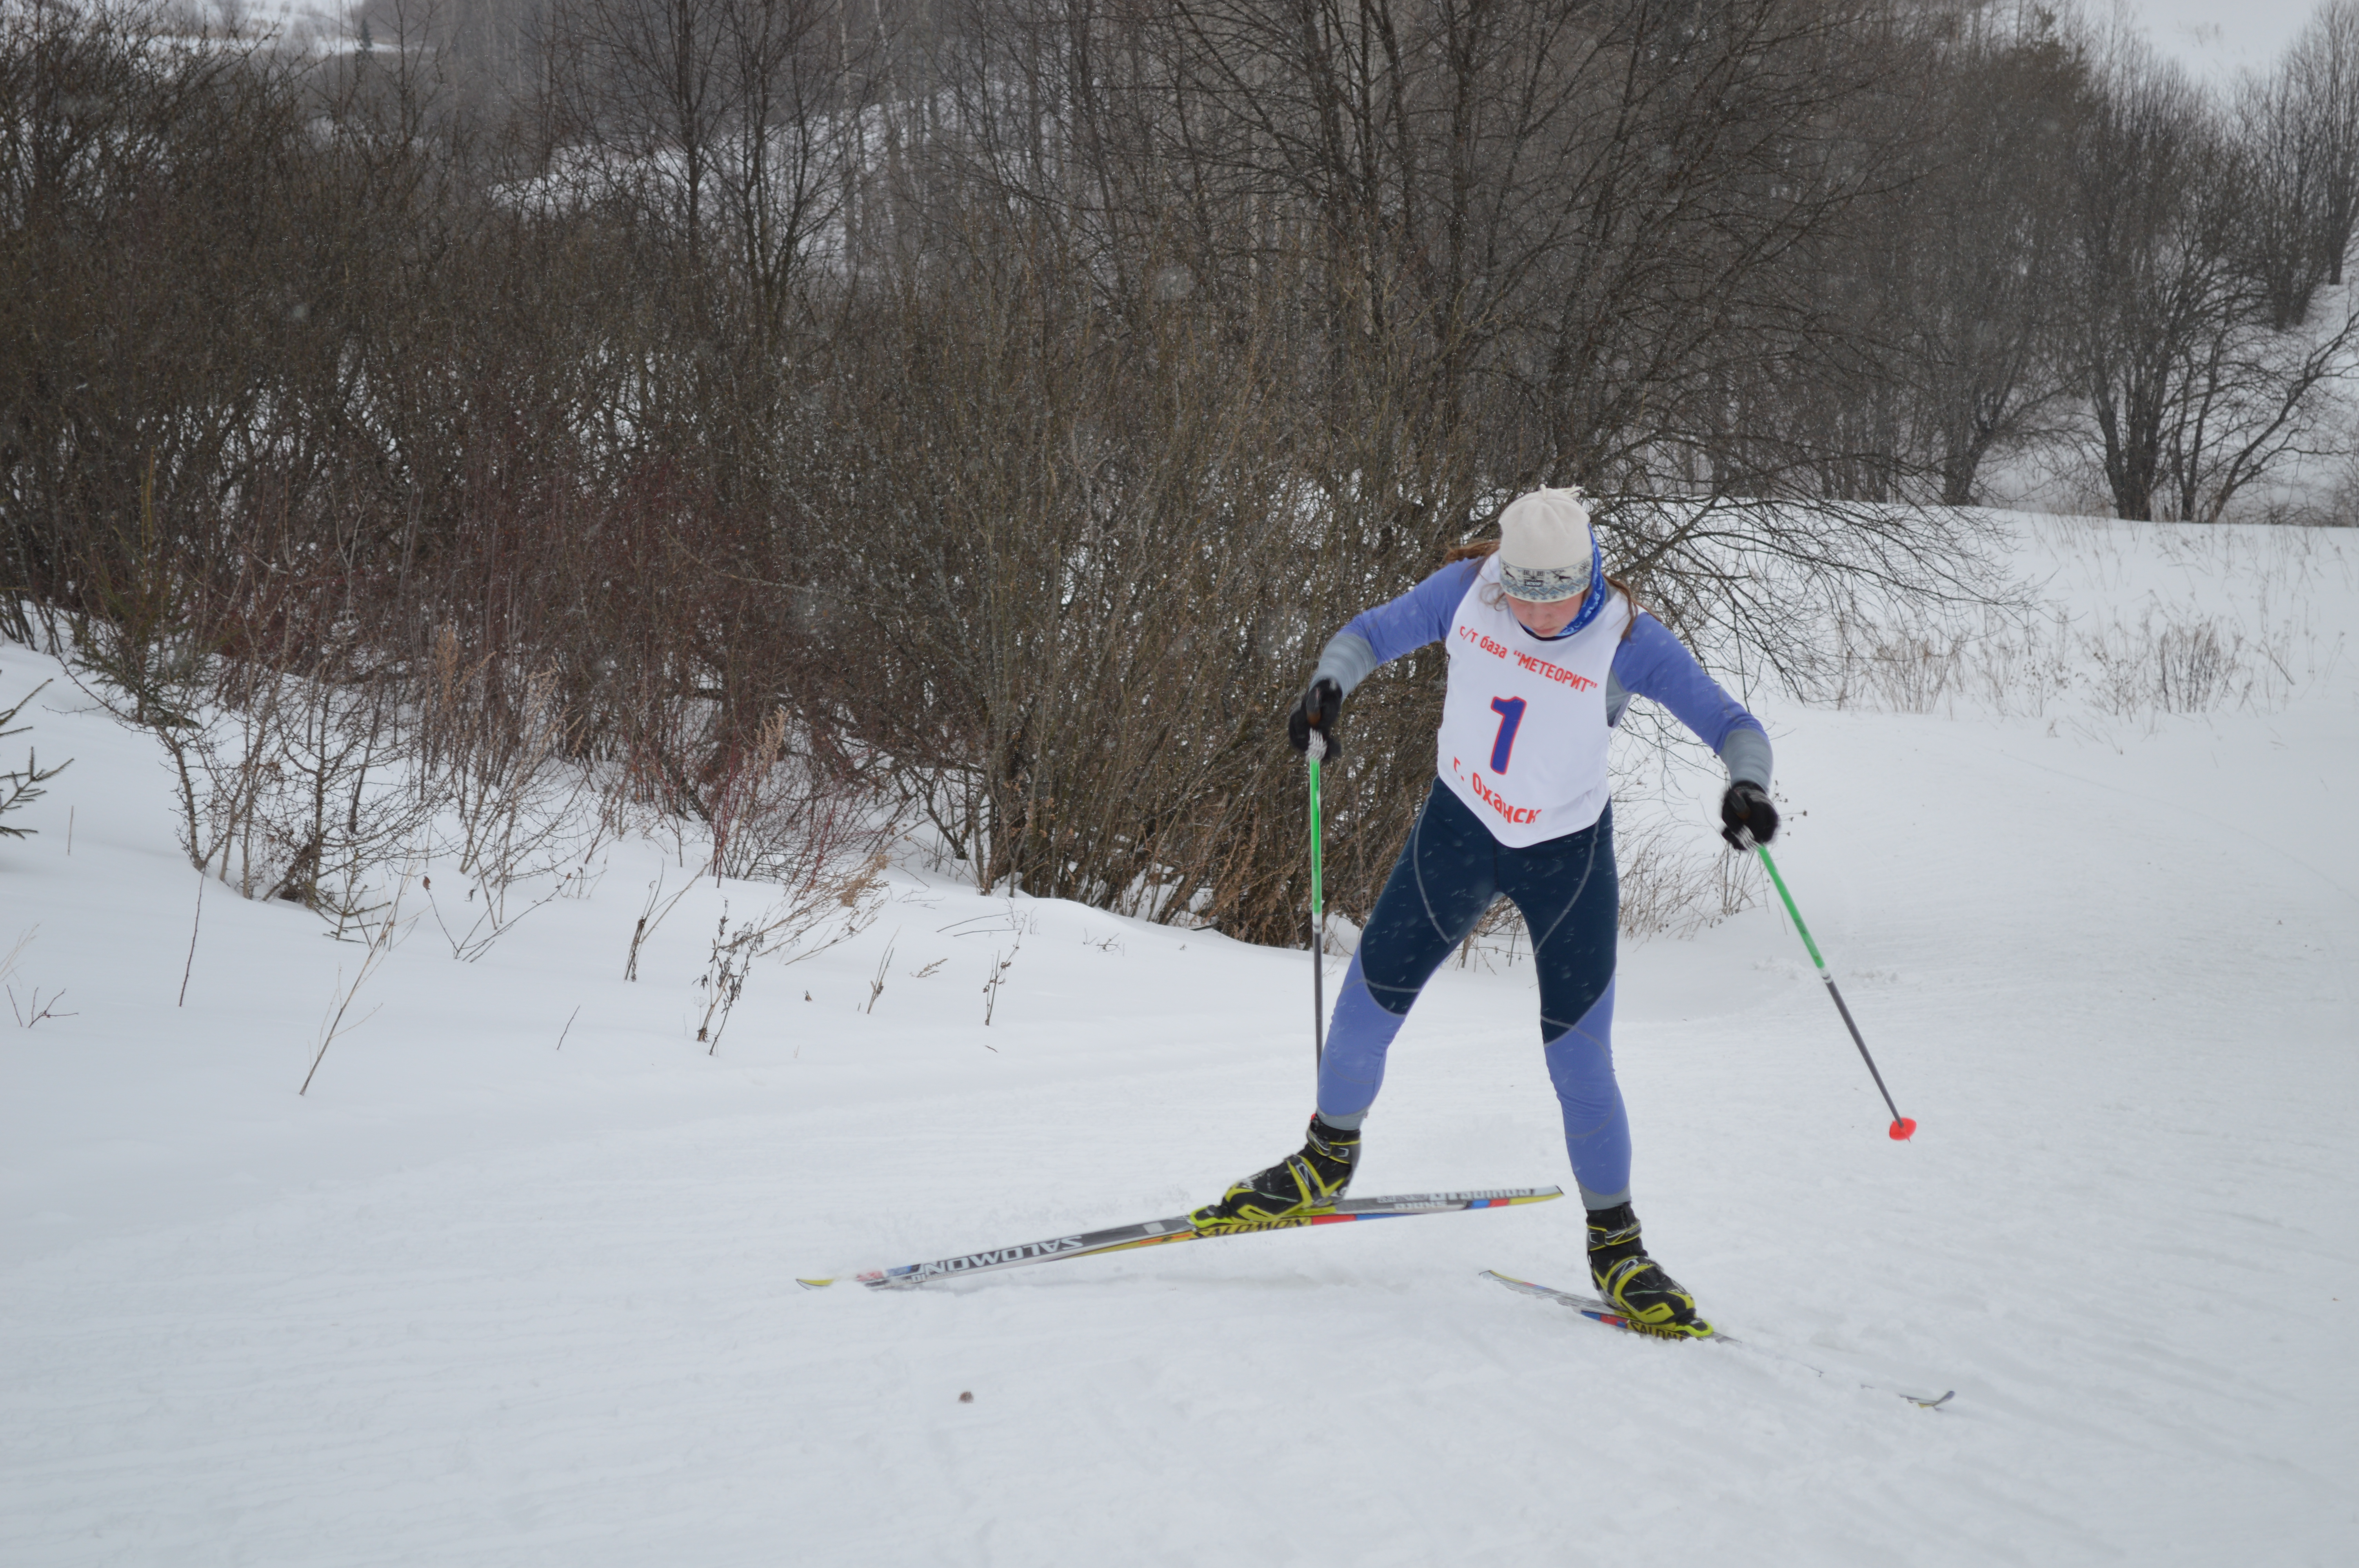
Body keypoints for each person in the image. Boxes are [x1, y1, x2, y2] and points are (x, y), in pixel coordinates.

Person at [1189, 487, 1779, 1338]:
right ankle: (1325, 1158)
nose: (1541, 610)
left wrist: (1746, 784)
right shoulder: (1466, 592)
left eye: (1560, 591)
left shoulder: (1623, 636)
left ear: (1589, 574)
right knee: (1365, 1005)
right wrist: (1328, 686)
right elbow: (1366, 635)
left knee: (1579, 1061)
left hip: (1566, 858)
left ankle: (1616, 1245)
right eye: (1525, 589)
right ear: (1502, 571)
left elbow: (1730, 723)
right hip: (1457, 832)